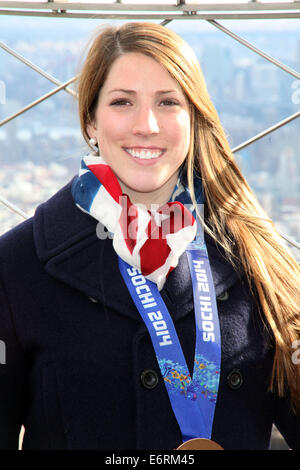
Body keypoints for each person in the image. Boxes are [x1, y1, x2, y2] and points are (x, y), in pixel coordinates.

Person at [0, 22, 299, 451]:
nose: (146, 124)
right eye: (122, 102)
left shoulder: (257, 260)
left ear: (193, 119)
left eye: (168, 102)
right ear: (90, 121)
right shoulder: (16, 266)